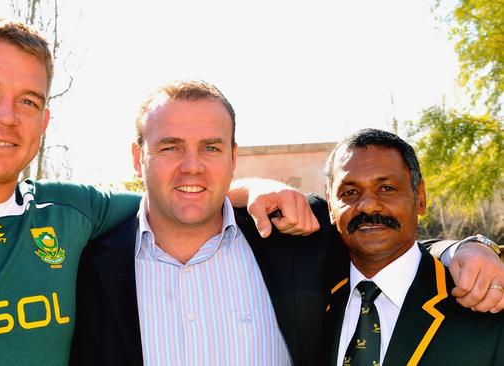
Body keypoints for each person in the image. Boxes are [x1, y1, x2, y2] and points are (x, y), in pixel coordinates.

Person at [0, 20, 313, 365]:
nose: (7, 116)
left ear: (44, 121)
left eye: (29, 101)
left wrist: (257, 188)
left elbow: (180, 197)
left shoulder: (71, 212)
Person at [69, 82, 502, 366]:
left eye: (211, 148)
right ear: (136, 157)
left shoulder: (293, 237)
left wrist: (465, 247)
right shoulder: (87, 262)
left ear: (234, 158)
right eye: (170, 147)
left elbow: (383, 242)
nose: (192, 167)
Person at [324, 129, 504, 365]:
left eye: (387, 188)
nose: (368, 206)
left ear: (420, 197)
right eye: (350, 192)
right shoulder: (311, 304)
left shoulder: (486, 304)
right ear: (330, 207)